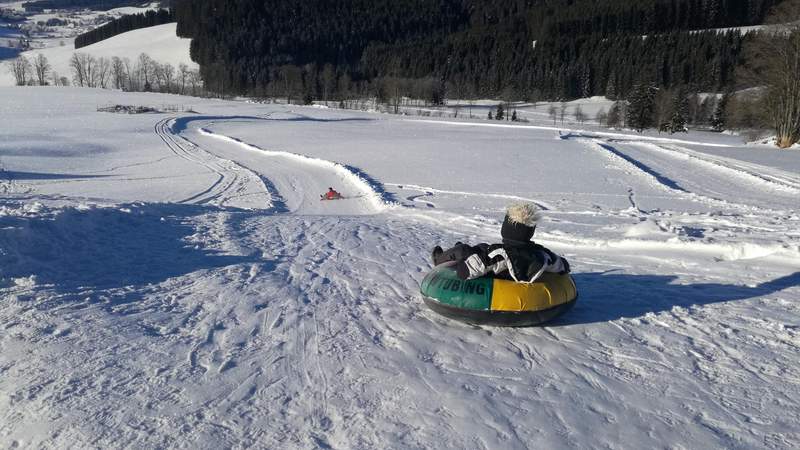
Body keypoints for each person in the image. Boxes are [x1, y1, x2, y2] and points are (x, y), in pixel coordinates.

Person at [431, 203, 570, 282]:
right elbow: (563, 266)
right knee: (482, 247)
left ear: (507, 229)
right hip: (522, 260)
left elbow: (464, 272)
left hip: (496, 278)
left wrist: (463, 262)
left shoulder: (499, 254)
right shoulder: (542, 254)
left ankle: (439, 259)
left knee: (463, 250)